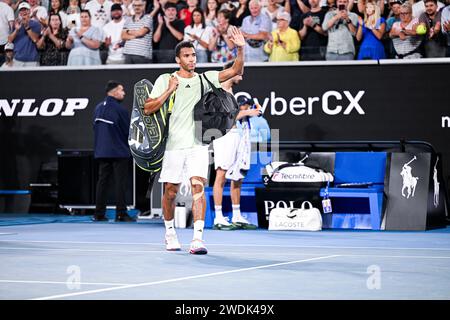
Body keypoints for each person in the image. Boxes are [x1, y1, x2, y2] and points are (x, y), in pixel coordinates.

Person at [142, 27, 245, 254]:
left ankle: (198, 239)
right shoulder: (165, 79)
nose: (192, 59)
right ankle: (170, 233)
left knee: (199, 187)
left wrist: (240, 48)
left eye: (194, 55)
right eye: (187, 56)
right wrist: (169, 90)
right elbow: (148, 108)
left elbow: (235, 70)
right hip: (173, 146)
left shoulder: (205, 79)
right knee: (170, 191)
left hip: (198, 145)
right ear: (178, 59)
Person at [212, 64, 269, 231]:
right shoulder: (220, 90)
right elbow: (228, 115)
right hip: (224, 137)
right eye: (240, 74)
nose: (242, 78)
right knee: (221, 175)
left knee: (237, 177)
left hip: (237, 137)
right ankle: (218, 217)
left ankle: (236, 215)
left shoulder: (231, 92)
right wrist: (250, 112)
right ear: (231, 73)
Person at [93, 80, 135, 222]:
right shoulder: (120, 110)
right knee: (120, 183)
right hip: (119, 152)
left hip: (102, 152)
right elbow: (128, 131)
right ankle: (121, 214)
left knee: (102, 182)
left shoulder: (98, 108)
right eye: (121, 90)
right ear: (115, 92)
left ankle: (98, 214)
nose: (124, 93)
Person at [8, 2, 41, 67]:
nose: (23, 12)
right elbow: (9, 40)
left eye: (25, 9)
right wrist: (16, 30)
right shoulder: (16, 24)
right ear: (19, 13)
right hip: (17, 59)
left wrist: (26, 26)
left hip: (32, 60)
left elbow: (35, 39)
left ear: (29, 11)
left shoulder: (36, 24)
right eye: (21, 10)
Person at [0, 0, 14, 66]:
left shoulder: (8, 8)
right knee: (6, 66)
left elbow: (11, 26)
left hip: (5, 41)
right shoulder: (8, 8)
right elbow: (11, 26)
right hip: (5, 41)